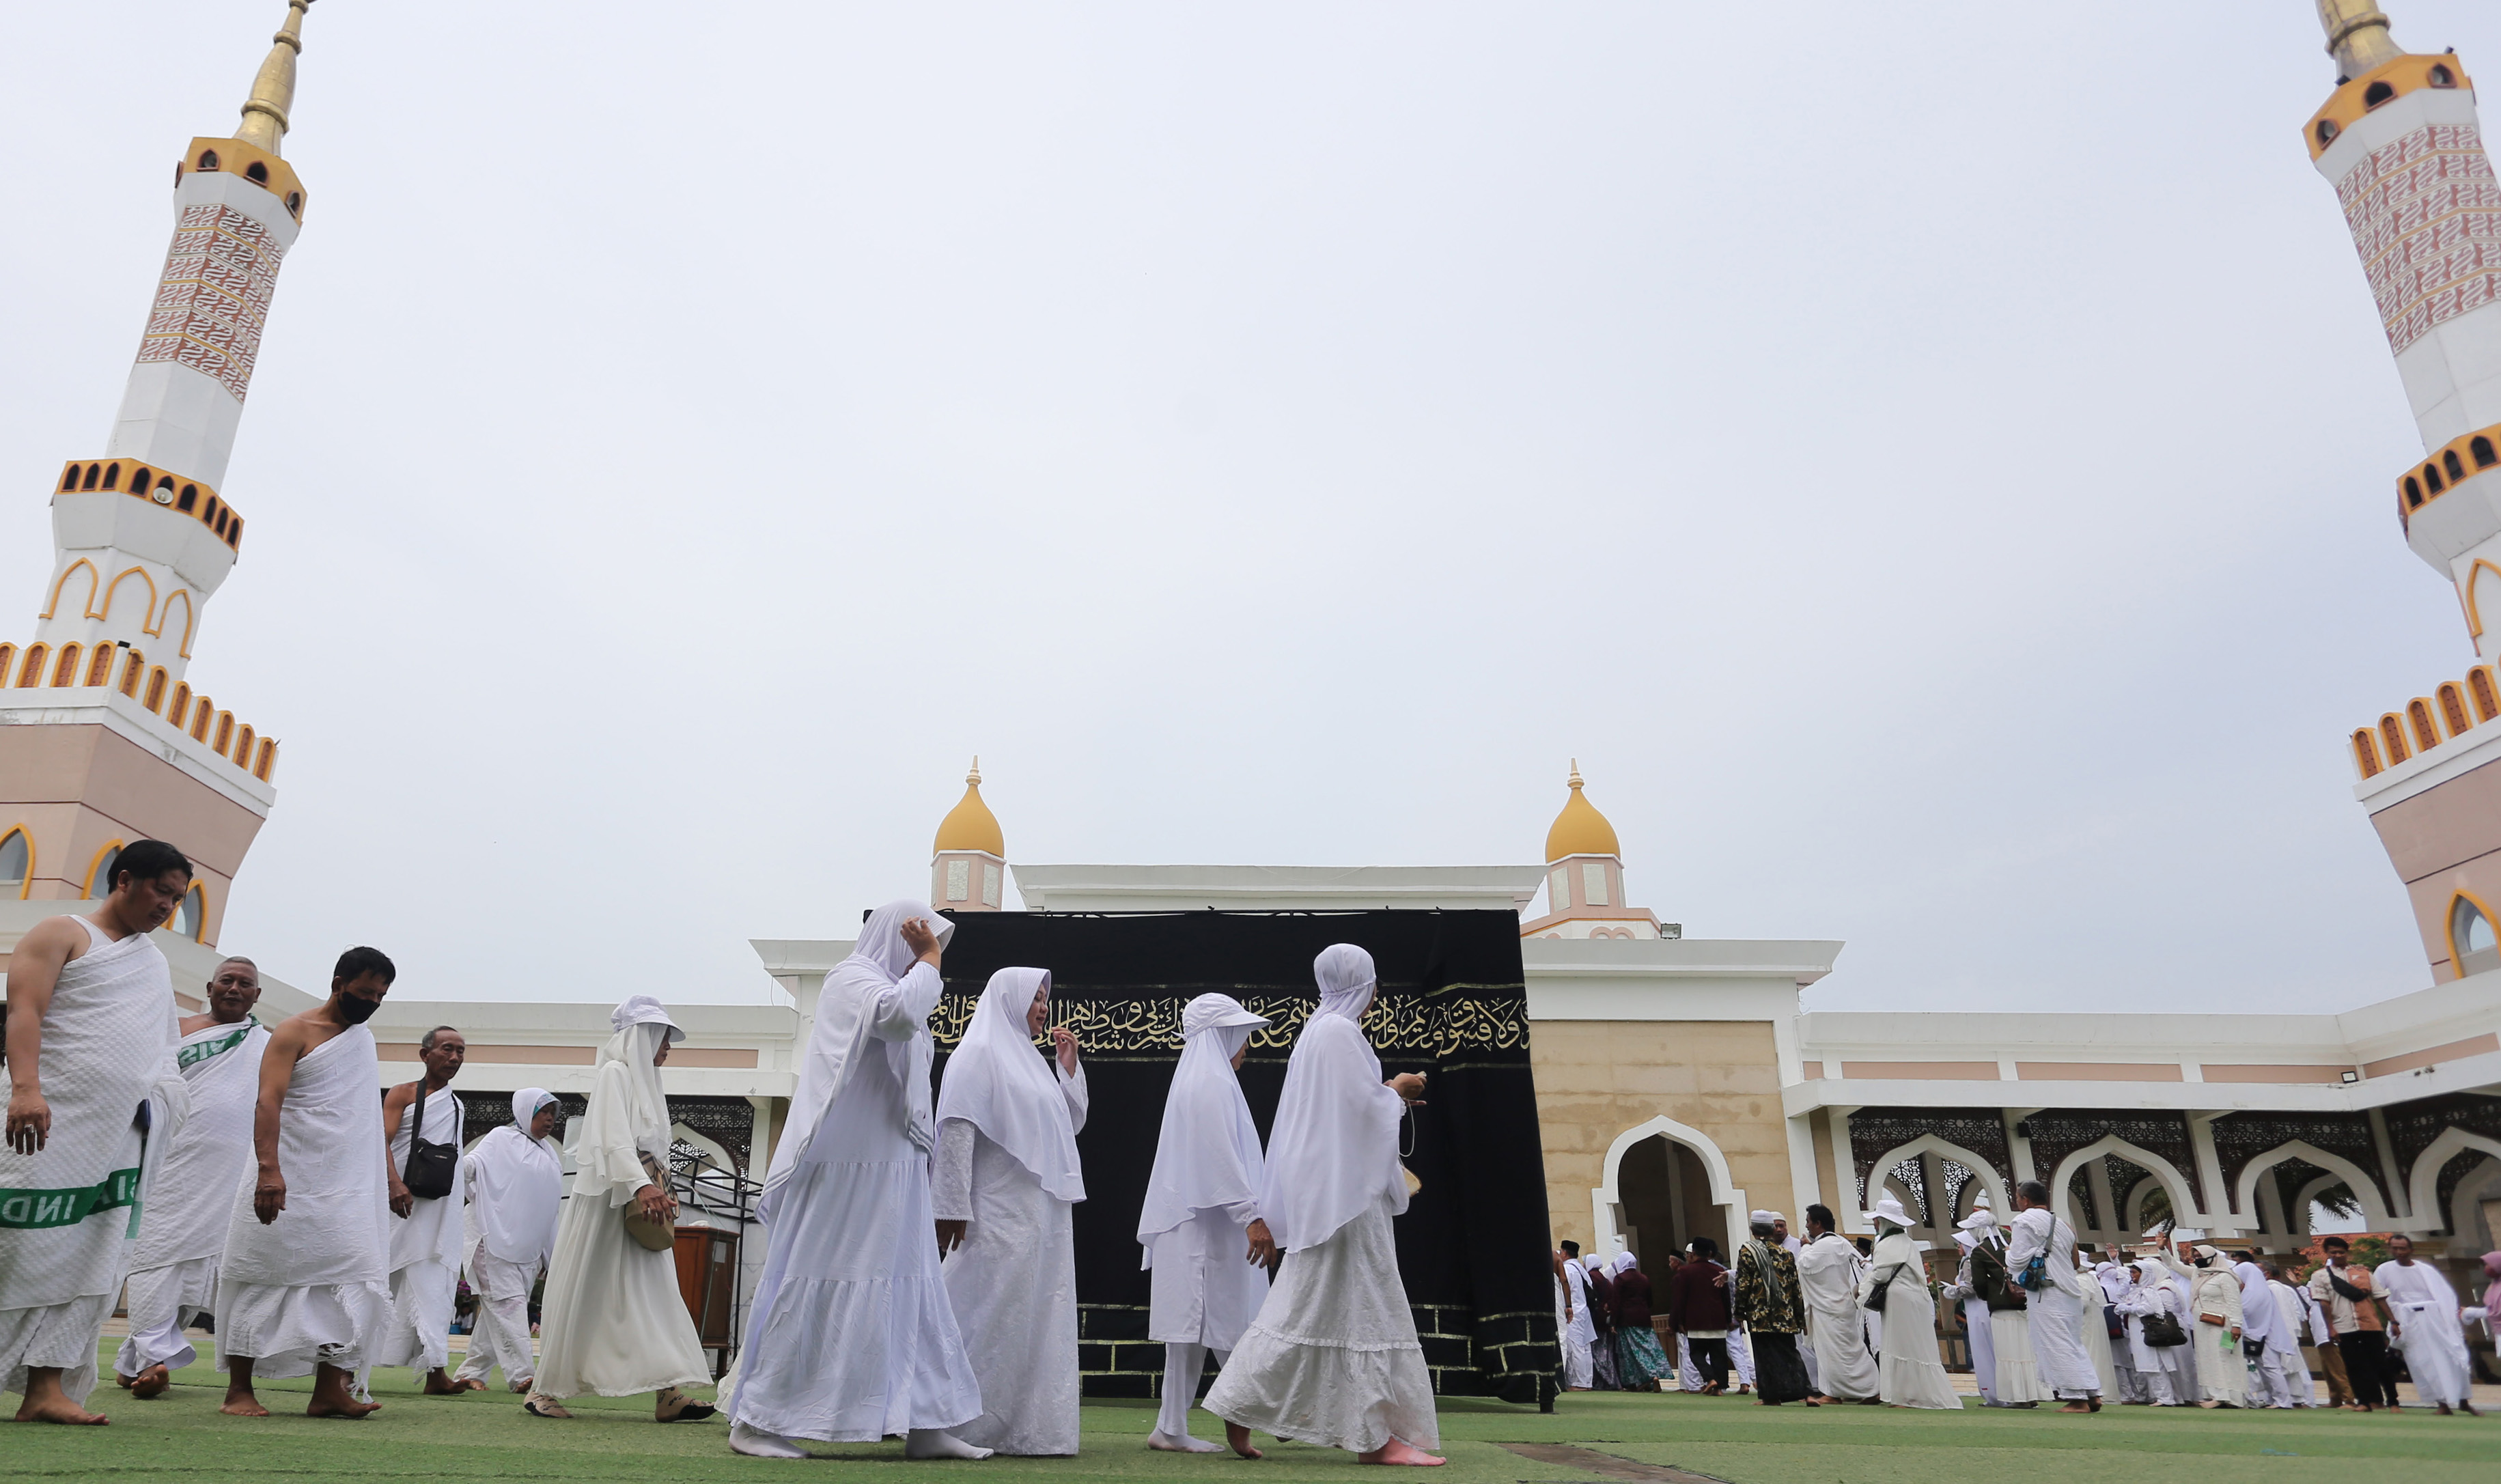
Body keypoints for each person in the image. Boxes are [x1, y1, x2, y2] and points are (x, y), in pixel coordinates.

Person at [726, 901, 985, 1460]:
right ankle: (756, 1420)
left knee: (913, 1287)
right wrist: (930, 959)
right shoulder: (852, 979)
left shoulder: (896, 985)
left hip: (894, 1167)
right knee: (821, 1278)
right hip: (846, 1169)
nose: (925, 955)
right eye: (919, 943)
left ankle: (925, 1421)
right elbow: (897, 1017)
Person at [1204, 943, 1442, 1466]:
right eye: (1373, 981)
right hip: (1347, 1204)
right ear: (1363, 983)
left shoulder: (1319, 1031)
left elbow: (1336, 1113)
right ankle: (1375, 1440)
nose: (1377, 991)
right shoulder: (1338, 1033)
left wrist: (1386, 1094)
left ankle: (1241, 1402)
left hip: (1332, 1196)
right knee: (1366, 1308)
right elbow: (1358, 1111)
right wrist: (1396, 1091)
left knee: (1308, 1305)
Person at [1, 839, 193, 1425]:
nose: (167, 907)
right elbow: (24, 1011)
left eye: (178, 899)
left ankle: (46, 1387)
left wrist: (159, 1104)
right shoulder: (61, 932)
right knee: (17, 1241)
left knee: (91, 1255)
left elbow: (162, 1049)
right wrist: (26, 1089)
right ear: (125, 878)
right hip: (45, 1123)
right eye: (161, 891)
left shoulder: (153, 962)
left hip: (121, 1134)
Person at [216, 946, 404, 1420]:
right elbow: (268, 1101)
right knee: (263, 1274)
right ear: (338, 983)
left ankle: (329, 1391)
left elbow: (363, 1120)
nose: (372, 1002)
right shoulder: (294, 1031)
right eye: (365, 992)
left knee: (346, 1279)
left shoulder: (362, 1040)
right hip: (288, 1175)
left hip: (345, 1186)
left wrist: (385, 1180)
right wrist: (269, 1170)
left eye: (380, 996)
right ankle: (239, 1390)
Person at [527, 996, 715, 1425]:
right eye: (662, 1038)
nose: (666, 1048)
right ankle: (543, 1389)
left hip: (641, 1203)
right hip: (608, 1204)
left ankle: (669, 1393)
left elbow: (653, 1148)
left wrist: (658, 1188)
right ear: (640, 1037)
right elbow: (613, 1138)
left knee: (658, 1292)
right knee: (586, 1290)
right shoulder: (616, 1073)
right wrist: (641, 1185)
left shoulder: (648, 1084)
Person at [932, 966, 1089, 1456]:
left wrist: (1067, 1069)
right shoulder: (979, 1052)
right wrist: (950, 1203)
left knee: (1029, 1319)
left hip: (1038, 1219)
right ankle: (949, 1423)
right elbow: (957, 1128)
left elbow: (1062, 1127)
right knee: (981, 1312)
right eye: (1035, 997)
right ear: (1009, 1000)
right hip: (996, 1213)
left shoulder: (1028, 1060)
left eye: (1045, 998)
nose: (1043, 1007)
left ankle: (1024, 1429)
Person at [114, 954, 266, 1399]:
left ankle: (134, 1361)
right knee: (154, 1254)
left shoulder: (265, 1043)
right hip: (170, 1159)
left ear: (257, 995)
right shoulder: (176, 1031)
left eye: (245, 983)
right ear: (209, 987)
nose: (234, 988)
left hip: (229, 1171)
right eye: (227, 980)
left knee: (198, 1266)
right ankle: (153, 1357)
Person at [1136, 994, 1274, 1451]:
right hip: (1204, 1228)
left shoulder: (1200, 1079)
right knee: (1224, 1320)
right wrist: (1251, 1217)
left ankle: (1172, 1425)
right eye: (1240, 1034)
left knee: (1192, 1328)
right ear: (1221, 1035)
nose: (1246, 1045)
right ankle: (1262, 1412)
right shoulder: (1211, 1082)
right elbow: (1219, 1161)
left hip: (1197, 1224)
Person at [372, 1025, 468, 1395]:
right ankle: (346, 1367)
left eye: (460, 1051)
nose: (454, 1057)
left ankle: (435, 1370)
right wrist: (394, 1183)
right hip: (399, 1205)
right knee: (378, 1277)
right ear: (425, 1054)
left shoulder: (456, 1105)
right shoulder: (403, 1093)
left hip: (438, 1212)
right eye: (447, 1049)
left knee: (435, 1284)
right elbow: (380, 1140)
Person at [451, 1089, 563, 1394]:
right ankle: (524, 1375)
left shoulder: (549, 1154)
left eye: (552, 1113)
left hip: (528, 1249)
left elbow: (549, 1207)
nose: (549, 1119)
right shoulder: (500, 1138)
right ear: (525, 1112)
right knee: (507, 1305)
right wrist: (451, 1163)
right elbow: (473, 1165)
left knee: (500, 1309)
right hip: (491, 1238)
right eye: (543, 1112)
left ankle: (470, 1373)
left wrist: (549, 1254)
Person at [2004, 1180, 2099, 1413]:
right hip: (2070, 1292)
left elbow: (2016, 1260)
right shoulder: (2064, 1225)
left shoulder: (2024, 1221)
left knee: (2056, 1343)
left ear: (2025, 1200)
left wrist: (2008, 1254)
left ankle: (2077, 1399)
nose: (2017, 1203)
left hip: (2048, 1292)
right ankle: (2092, 1394)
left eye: (2017, 1198)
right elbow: (2075, 1262)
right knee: (2073, 1343)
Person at [2375, 1234, 2477, 1416]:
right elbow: (2378, 1295)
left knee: (2452, 1357)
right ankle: (2442, 1404)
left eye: (2402, 1248)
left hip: (2436, 1319)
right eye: (2395, 1248)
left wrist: (2450, 1321)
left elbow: (2446, 1295)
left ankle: (2464, 1401)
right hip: (2408, 1321)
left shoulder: (2426, 1270)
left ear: (2411, 1250)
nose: (2399, 1252)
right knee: (2423, 1362)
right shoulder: (2384, 1270)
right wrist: (2393, 1321)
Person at [1793, 1204, 1877, 1403]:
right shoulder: (1842, 1242)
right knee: (1846, 1349)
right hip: (1841, 1305)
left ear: (1818, 1224)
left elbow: (1804, 1265)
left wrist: (1805, 1246)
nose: (1807, 1226)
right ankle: (1843, 1390)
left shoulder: (1823, 1246)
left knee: (1835, 1351)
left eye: (1808, 1222)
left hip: (1828, 1308)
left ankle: (1859, 1390)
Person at [1731, 1212, 1814, 1405]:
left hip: (1759, 1314)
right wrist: (1800, 1318)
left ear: (1752, 1230)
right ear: (1771, 1229)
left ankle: (1771, 1397)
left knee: (1764, 1355)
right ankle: (1806, 1393)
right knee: (1790, 1353)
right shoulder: (1786, 1254)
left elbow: (1743, 1284)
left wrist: (1739, 1312)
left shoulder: (1748, 1251)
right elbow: (1795, 1288)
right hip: (1784, 1313)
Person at [2310, 1236, 2391, 1410]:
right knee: (2353, 1365)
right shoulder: (2320, 1276)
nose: (2338, 1255)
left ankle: (2384, 1401)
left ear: (2348, 1253)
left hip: (2369, 1324)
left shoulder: (2362, 1272)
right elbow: (2324, 1304)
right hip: (2343, 1326)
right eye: (2334, 1252)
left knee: (2378, 1363)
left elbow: (2379, 1297)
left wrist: (2392, 1321)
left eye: (2341, 1252)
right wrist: (2331, 1328)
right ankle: (2362, 1401)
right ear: (2327, 1253)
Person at [2116, 1259, 2191, 1405]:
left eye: (2135, 1273)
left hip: (2148, 1331)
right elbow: (2122, 1294)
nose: (2132, 1276)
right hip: (2140, 1332)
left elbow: (2150, 1309)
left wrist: (2127, 1308)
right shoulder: (2138, 1291)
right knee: (2150, 1365)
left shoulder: (2148, 1291)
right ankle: (2166, 1397)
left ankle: (2165, 1398)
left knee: (2155, 1365)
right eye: (2131, 1272)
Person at [1942, 1214, 1998, 1404]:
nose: (1958, 1247)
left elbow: (1970, 1288)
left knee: (1983, 1350)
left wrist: (1952, 1290)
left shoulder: (1970, 1261)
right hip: (1984, 1308)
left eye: (1960, 1244)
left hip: (1977, 1309)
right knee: (1991, 1349)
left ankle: (1992, 1393)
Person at [2183, 1245, 2246, 1408]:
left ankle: (2229, 1397)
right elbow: (2175, 1266)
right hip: (2205, 1326)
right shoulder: (2199, 1274)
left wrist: (2236, 1325)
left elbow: (2234, 1303)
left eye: (2200, 1256)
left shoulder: (2225, 1277)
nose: (2198, 1259)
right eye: (2195, 1256)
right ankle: (2216, 1395)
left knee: (2224, 1357)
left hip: (2225, 1326)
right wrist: (2163, 1250)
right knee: (2209, 1358)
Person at [1667, 1237, 1731, 1393]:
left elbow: (1679, 1300)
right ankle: (1719, 1387)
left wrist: (1674, 1323)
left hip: (1696, 1320)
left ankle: (1710, 1378)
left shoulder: (1686, 1272)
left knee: (1696, 1354)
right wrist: (1728, 1319)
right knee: (1719, 1356)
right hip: (1717, 1319)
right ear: (1710, 1253)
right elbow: (1726, 1298)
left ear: (1693, 1253)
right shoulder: (1719, 1271)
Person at [2227, 1251, 2290, 1408]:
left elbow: (2245, 1312)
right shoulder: (2254, 1291)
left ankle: (2283, 1401)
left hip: (2262, 1336)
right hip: (2253, 1335)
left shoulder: (2254, 1293)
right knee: (2262, 1369)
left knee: (2271, 1368)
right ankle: (2271, 1399)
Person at [1608, 1252, 1671, 1390]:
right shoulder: (1644, 1278)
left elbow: (1616, 1302)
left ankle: (1646, 1377)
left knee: (1632, 1351)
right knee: (1649, 1347)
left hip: (1627, 1319)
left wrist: (1613, 1322)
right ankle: (1652, 1376)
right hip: (1644, 1318)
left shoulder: (1620, 1279)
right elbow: (1650, 1300)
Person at [2095, 1257, 2149, 1403]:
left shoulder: (2101, 1287)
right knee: (2129, 1363)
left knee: (2118, 1363)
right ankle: (2138, 1393)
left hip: (2112, 1327)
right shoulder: (2122, 1286)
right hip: (2125, 1327)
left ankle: (2126, 1394)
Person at [1559, 1240, 1595, 1389]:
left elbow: (1565, 1289)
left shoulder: (1567, 1269)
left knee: (1575, 1349)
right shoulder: (1581, 1269)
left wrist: (1565, 1308)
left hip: (1573, 1312)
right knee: (1586, 1348)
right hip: (1584, 1311)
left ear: (1565, 1253)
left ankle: (1578, 1383)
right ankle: (1587, 1382)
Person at [1582, 1252, 1619, 1390]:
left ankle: (1608, 1381)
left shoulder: (1591, 1277)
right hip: (1605, 1319)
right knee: (1606, 1352)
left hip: (1596, 1320)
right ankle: (1606, 1382)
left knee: (1598, 1353)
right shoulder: (1604, 1279)